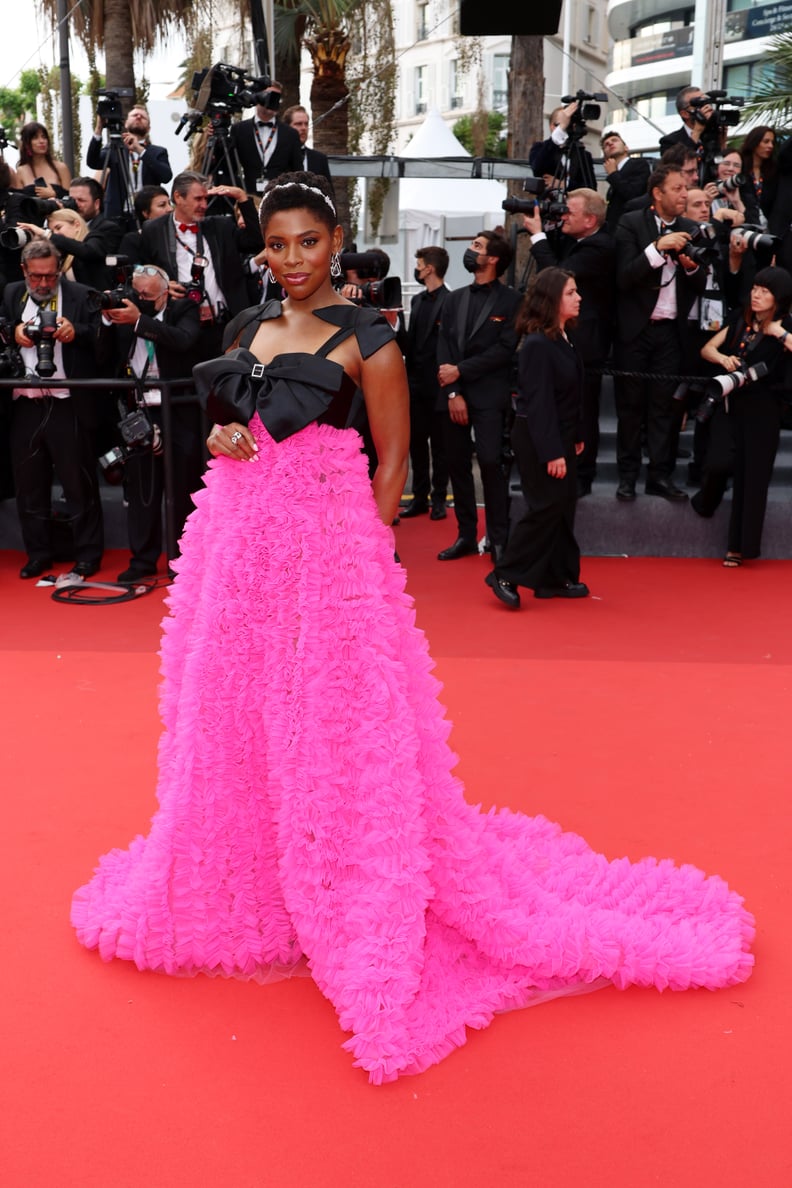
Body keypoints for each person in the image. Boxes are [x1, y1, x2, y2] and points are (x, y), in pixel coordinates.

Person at [70, 169, 754, 1086]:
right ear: (261, 249)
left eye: (308, 242)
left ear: (337, 241)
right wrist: (229, 441)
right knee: (233, 721)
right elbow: (232, 432)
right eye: (276, 245)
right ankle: (253, 876)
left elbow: (392, 468)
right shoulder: (244, 328)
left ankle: (344, 886)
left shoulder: (371, 338)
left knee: (328, 728)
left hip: (328, 557)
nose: (292, 261)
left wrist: (359, 563)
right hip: (236, 554)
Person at [484, 268, 587, 610]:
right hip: (538, 438)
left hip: (560, 436)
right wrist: (552, 452)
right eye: (571, 292)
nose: (578, 298)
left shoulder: (561, 337)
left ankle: (553, 578)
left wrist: (575, 436)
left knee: (562, 505)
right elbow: (539, 403)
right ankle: (505, 573)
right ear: (553, 299)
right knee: (546, 507)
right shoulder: (538, 345)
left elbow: (569, 396)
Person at [1, 239, 102, 579]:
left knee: (79, 483)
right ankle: (38, 553)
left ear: (59, 270)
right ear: (24, 271)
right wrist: (12, 332)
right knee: (29, 485)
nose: (43, 283)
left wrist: (79, 332)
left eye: (50, 276)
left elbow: (104, 341)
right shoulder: (11, 293)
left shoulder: (80, 294)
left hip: (67, 401)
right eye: (36, 277)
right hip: (24, 403)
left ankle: (88, 553)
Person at [97, 262, 203, 582]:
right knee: (143, 487)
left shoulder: (183, 309)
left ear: (163, 295)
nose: (141, 299)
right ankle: (142, 559)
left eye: (148, 296)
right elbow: (103, 358)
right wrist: (106, 320)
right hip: (138, 409)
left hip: (178, 409)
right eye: (137, 293)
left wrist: (140, 321)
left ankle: (182, 560)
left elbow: (184, 341)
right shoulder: (123, 314)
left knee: (182, 487)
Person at [613, 163, 708, 502]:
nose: (685, 194)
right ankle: (627, 477)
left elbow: (701, 283)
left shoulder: (692, 228)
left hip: (672, 332)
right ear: (657, 193)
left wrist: (691, 265)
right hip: (635, 331)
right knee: (630, 408)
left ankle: (659, 476)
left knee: (664, 409)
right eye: (678, 188)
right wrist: (657, 248)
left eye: (686, 188)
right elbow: (624, 277)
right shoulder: (630, 223)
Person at [693, 266, 792, 564]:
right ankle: (706, 501)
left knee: (754, 477)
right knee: (718, 460)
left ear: (780, 297)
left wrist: (781, 333)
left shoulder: (786, 324)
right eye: (755, 288)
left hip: (765, 409)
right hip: (730, 402)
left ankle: (740, 547)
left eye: (765, 290)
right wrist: (724, 358)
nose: (757, 294)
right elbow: (707, 348)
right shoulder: (741, 318)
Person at [523, 188, 616, 496]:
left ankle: (582, 475)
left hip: (586, 345)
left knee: (584, 410)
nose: (563, 217)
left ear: (590, 220)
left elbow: (556, 276)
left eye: (569, 213)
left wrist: (538, 236)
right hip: (565, 341)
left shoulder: (600, 246)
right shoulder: (577, 240)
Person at [435, 230, 521, 562]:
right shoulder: (453, 298)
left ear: (493, 259)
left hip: (489, 396)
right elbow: (443, 346)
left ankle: (499, 539)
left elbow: (504, 350)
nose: (470, 251)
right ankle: (466, 536)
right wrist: (453, 389)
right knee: (457, 464)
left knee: (490, 463)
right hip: (453, 396)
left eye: (477, 247)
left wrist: (461, 371)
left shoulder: (512, 301)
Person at [126, 171, 264, 358]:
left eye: (206, 199)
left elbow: (256, 242)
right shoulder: (153, 229)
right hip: (180, 327)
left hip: (225, 327)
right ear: (178, 197)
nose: (204, 205)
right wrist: (163, 284)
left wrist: (242, 198)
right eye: (198, 199)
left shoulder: (220, 226)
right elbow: (142, 270)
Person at [401, 245, 450, 519]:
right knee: (417, 444)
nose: (417, 268)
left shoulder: (450, 301)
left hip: (439, 385)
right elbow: (411, 341)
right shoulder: (416, 301)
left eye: (419, 264)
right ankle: (419, 497)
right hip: (416, 384)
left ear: (429, 268)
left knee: (440, 445)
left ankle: (439, 498)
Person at [86, 103, 172, 223]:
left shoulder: (158, 152)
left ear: (148, 128)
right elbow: (92, 162)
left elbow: (166, 176)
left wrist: (140, 150)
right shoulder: (115, 149)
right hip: (117, 214)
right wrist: (99, 128)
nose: (138, 117)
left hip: (147, 215)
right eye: (134, 115)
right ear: (126, 124)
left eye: (143, 117)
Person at [228, 81, 304, 196]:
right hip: (248, 197)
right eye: (270, 95)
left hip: (280, 199)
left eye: (277, 97)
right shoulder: (239, 129)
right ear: (258, 97)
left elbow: (298, 171)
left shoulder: (290, 134)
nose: (273, 100)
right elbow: (230, 167)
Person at [600, 128, 651, 231]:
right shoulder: (613, 175)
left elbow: (634, 194)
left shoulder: (639, 164)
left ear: (626, 148)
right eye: (606, 144)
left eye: (615, 140)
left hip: (633, 226)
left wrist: (613, 174)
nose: (610, 143)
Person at [14, 121, 71, 198]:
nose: (41, 141)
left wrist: (54, 195)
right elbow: (18, 202)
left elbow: (70, 199)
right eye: (35, 138)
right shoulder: (21, 171)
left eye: (44, 137)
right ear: (27, 144)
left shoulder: (61, 168)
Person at [738, 126, 777, 230]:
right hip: (744, 224)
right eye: (766, 141)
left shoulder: (773, 171)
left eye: (772, 142)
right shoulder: (740, 168)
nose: (770, 146)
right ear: (754, 142)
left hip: (770, 227)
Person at [281, 104, 333, 182]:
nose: (304, 128)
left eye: (306, 124)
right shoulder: (278, 157)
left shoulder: (320, 159)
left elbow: (329, 192)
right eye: (298, 124)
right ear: (286, 127)